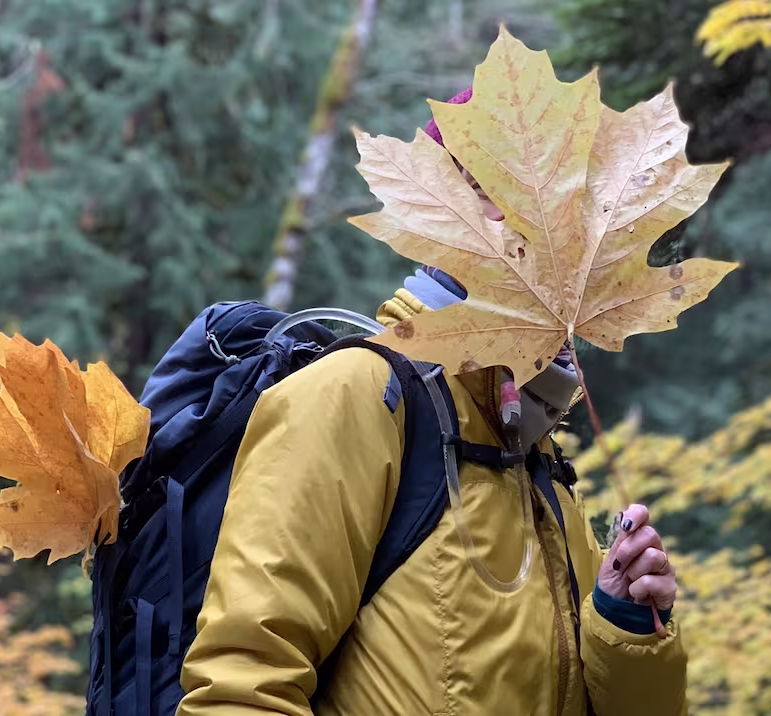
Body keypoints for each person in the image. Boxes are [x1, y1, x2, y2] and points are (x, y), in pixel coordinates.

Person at [175, 89, 686, 716]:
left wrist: (623, 625)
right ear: (452, 221)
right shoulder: (355, 399)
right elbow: (240, 688)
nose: (574, 245)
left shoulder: (535, 454)